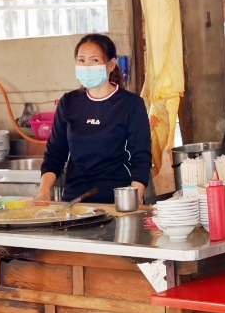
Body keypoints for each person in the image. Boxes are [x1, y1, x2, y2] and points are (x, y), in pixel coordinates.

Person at [36, 34, 151, 205]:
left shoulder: (131, 104)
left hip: (117, 202)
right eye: (81, 60)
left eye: (94, 60)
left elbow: (141, 159)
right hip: (74, 203)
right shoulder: (68, 102)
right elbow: (55, 154)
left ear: (111, 65)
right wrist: (44, 192)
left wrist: (134, 201)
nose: (86, 66)